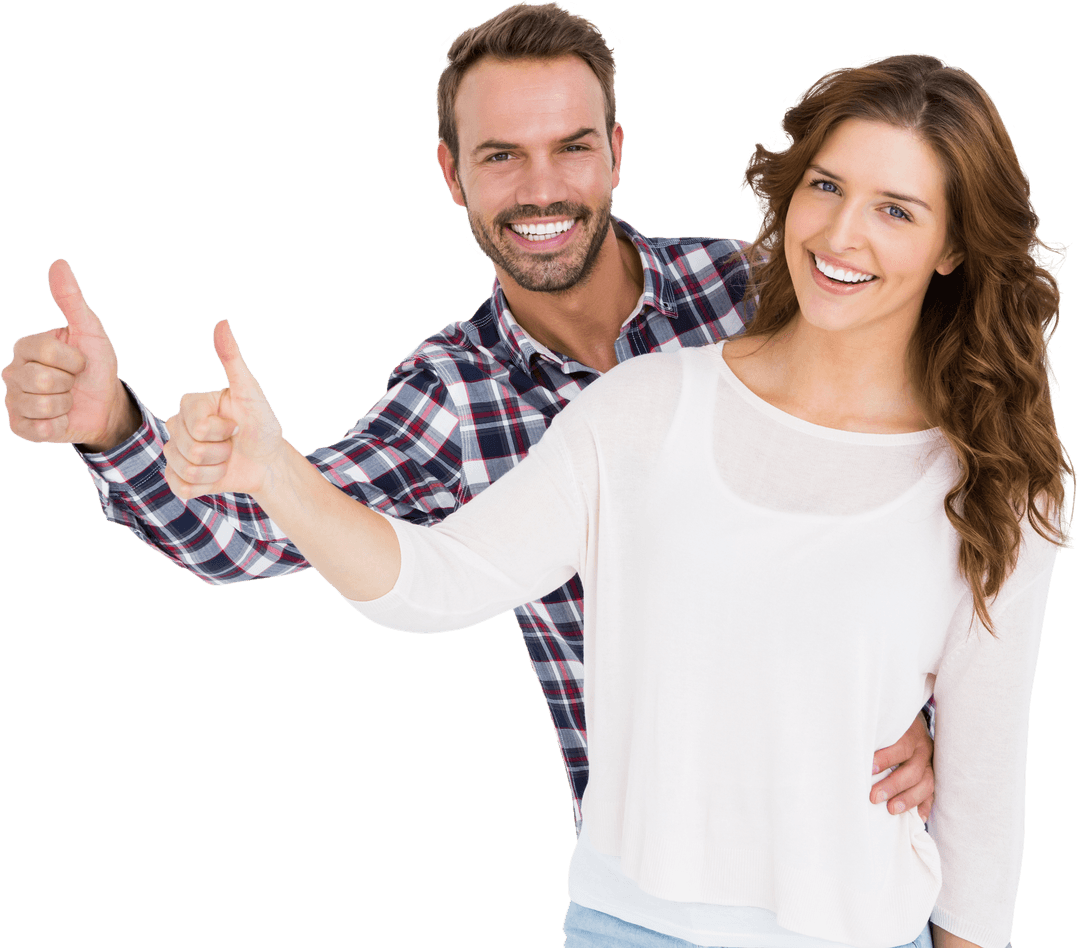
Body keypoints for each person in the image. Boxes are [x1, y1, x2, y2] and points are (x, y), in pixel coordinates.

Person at [156, 51, 1069, 948]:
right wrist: (273, 470)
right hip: (631, 927)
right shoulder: (643, 405)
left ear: (953, 245)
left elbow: (987, 791)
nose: (841, 235)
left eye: (896, 209)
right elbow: (435, 581)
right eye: (826, 188)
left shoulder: (996, 482)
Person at [1, 2, 936, 830]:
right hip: (653, 885)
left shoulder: (763, 293)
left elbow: (931, 502)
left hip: (865, 856)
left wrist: (937, 713)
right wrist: (113, 426)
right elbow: (247, 535)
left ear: (617, 151)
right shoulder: (454, 393)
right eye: (501, 156)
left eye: (571, 147)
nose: (541, 190)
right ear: (452, 173)